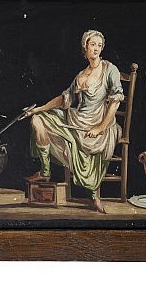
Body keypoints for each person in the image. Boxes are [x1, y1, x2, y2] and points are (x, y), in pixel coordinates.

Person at [23, 30, 123, 213]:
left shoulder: (110, 69)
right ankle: (45, 171)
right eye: (92, 44)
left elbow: (115, 102)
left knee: (87, 146)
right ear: (85, 47)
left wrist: (100, 128)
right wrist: (37, 109)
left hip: (98, 122)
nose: (96, 49)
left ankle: (94, 195)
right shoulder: (80, 75)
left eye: (99, 45)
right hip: (76, 119)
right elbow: (64, 99)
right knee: (37, 121)